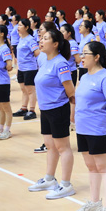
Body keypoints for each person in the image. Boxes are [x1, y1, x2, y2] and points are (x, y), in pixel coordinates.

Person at [73, 40, 106, 211]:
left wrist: (96, 110)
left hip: (97, 128)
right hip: (82, 127)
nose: (81, 57)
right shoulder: (84, 76)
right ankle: (94, 202)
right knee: (91, 166)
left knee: (103, 167)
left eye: (85, 53)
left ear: (96, 57)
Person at [27, 29, 78, 200]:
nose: (41, 41)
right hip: (46, 109)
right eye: (41, 38)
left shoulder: (61, 63)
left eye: (45, 39)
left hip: (58, 109)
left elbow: (70, 90)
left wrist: (71, 110)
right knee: (50, 146)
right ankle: (49, 179)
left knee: (63, 148)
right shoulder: (44, 60)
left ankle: (66, 184)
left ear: (55, 44)